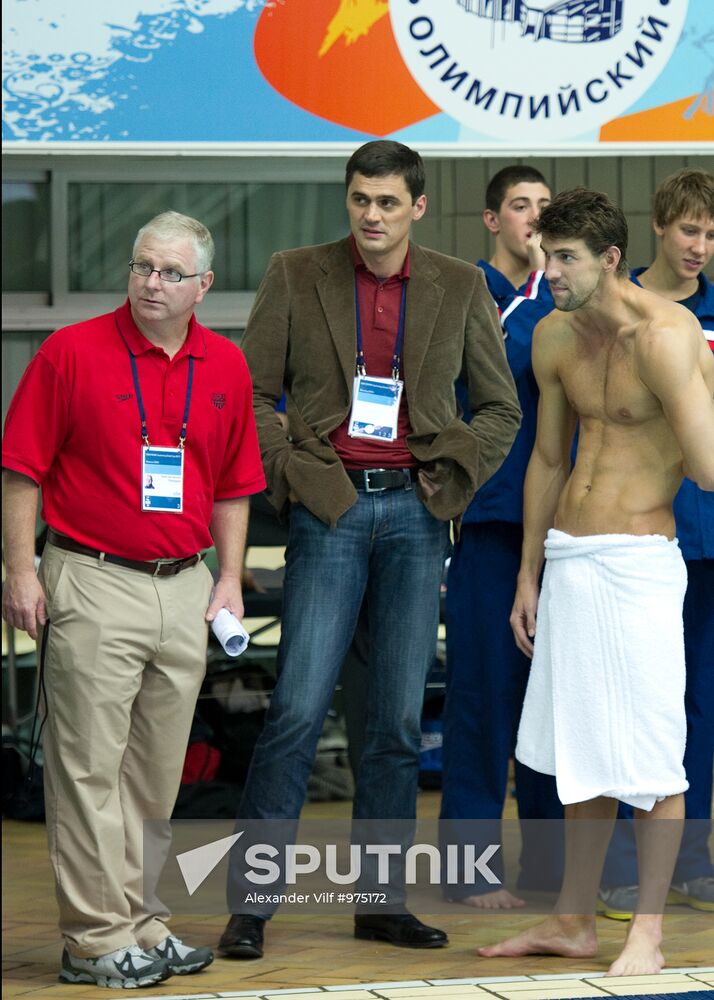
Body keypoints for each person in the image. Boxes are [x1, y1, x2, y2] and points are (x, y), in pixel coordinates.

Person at [218, 139, 521, 960]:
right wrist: (295, 472)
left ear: (417, 207)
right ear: (347, 199)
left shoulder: (458, 285)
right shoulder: (295, 270)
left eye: (388, 203)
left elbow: (500, 408)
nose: (373, 216)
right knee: (295, 712)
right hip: (330, 511)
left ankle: (379, 903)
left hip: (419, 519)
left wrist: (452, 478)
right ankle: (252, 905)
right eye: (361, 200)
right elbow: (249, 393)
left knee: (391, 721)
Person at [1, 211, 266, 989]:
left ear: (203, 287)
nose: (153, 283)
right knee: (87, 768)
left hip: (183, 586)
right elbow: (21, 470)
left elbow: (236, 486)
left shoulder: (225, 366)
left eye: (171, 273)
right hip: (91, 578)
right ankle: (94, 937)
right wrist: (20, 571)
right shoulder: (70, 352)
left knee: (155, 773)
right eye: (143, 267)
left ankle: (142, 922)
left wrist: (227, 576)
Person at [478, 188, 714, 975]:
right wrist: (528, 573)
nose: (549, 271)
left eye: (565, 258)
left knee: (651, 756)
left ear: (609, 259)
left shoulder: (668, 338)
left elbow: (709, 470)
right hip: (571, 561)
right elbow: (548, 458)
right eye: (546, 255)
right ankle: (574, 919)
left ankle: (646, 929)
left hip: (640, 564)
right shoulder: (552, 337)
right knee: (580, 751)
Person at [440, 165, 563, 909]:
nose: (534, 218)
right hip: (491, 523)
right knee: (483, 698)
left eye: (545, 208)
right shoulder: (468, 296)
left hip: (566, 533)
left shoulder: (567, 298)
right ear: (492, 220)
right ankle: (468, 869)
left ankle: (550, 869)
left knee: (554, 703)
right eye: (521, 207)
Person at [598, 168, 714, 919]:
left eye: (710, 234)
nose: (700, 246)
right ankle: (612, 867)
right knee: (626, 703)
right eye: (689, 230)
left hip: (706, 539)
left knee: (701, 705)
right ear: (661, 226)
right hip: (634, 536)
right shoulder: (621, 308)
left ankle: (691, 860)